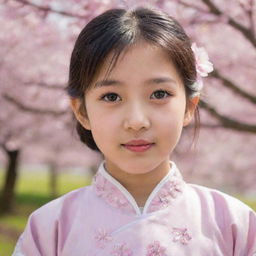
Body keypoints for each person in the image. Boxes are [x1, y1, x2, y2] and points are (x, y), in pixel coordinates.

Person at [13, 6, 256, 256]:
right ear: (82, 111)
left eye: (159, 94)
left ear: (189, 107)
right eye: (111, 96)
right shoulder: (50, 229)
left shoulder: (235, 225)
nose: (137, 121)